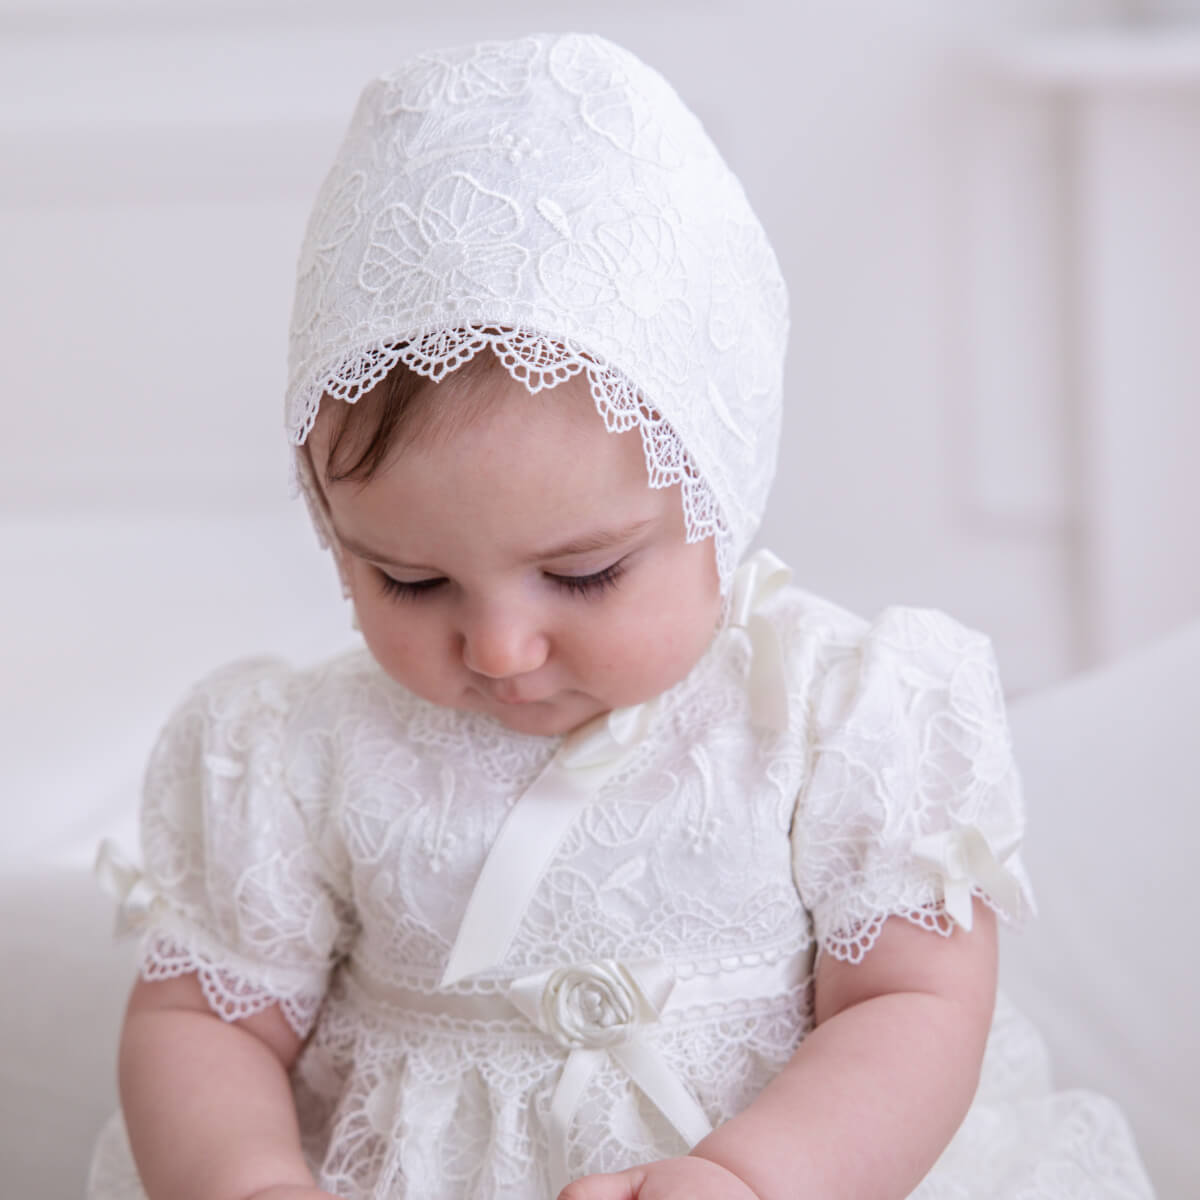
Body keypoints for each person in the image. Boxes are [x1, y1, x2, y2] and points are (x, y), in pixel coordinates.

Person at [88, 32, 1154, 1200]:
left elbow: (915, 998)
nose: (499, 648)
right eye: (409, 580)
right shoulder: (296, 756)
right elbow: (209, 1024)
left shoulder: (829, 715)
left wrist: (758, 1178)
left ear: (721, 494)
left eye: (585, 575)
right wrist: (245, 1177)